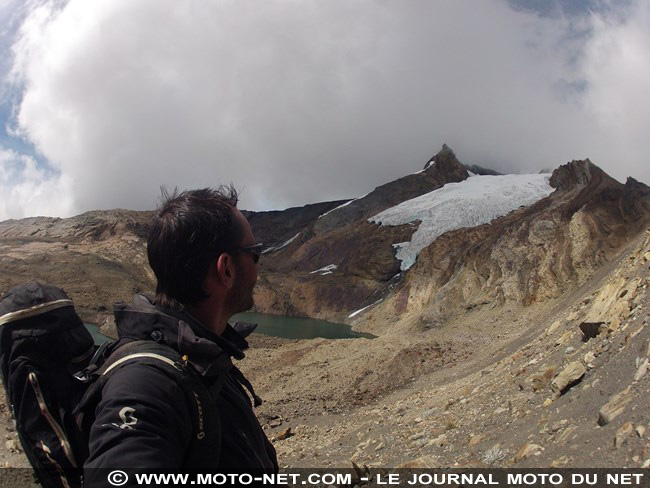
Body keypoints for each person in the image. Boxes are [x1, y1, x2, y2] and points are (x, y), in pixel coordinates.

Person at [83, 186, 278, 477]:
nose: (257, 268)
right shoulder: (144, 385)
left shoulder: (203, 357)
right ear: (225, 269)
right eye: (255, 253)